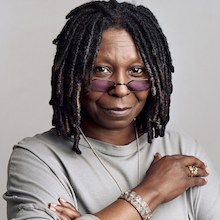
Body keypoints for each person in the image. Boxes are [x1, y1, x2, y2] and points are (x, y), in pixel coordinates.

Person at [3, 0, 220, 219]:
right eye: (102, 70)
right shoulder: (39, 157)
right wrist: (151, 192)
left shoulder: (183, 152)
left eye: (136, 70)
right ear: (73, 75)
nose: (121, 89)